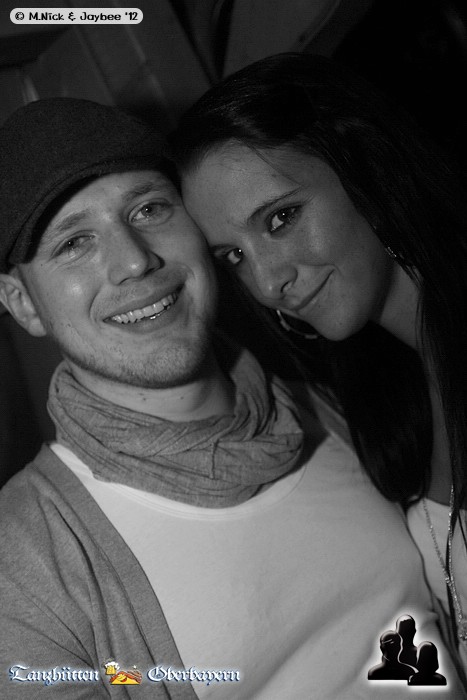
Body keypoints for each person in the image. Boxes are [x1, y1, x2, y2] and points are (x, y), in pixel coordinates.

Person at [0, 98, 462, 700]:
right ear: (23, 303)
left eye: (149, 209)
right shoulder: (27, 564)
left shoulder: (331, 406)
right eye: (73, 243)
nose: (135, 260)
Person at [170, 51, 467, 678]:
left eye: (281, 219)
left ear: (366, 172)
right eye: (232, 257)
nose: (267, 281)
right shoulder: (383, 392)